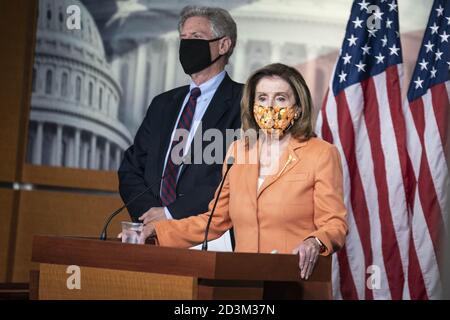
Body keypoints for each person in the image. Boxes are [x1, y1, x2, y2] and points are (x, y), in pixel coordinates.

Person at [139, 63, 348, 279]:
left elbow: (334, 223)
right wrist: (159, 230)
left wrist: (314, 241)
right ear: (252, 104)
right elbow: (214, 220)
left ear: (297, 107)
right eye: (262, 98)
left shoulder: (321, 153)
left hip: (295, 281)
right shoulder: (238, 151)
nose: (270, 107)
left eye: (281, 98)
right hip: (245, 282)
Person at [118, 5, 243, 246]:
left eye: (196, 37)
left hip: (208, 237)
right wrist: (151, 216)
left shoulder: (244, 103)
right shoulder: (163, 104)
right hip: (151, 233)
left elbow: (232, 176)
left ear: (224, 45)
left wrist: (170, 214)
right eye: (183, 38)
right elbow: (131, 168)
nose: (187, 45)